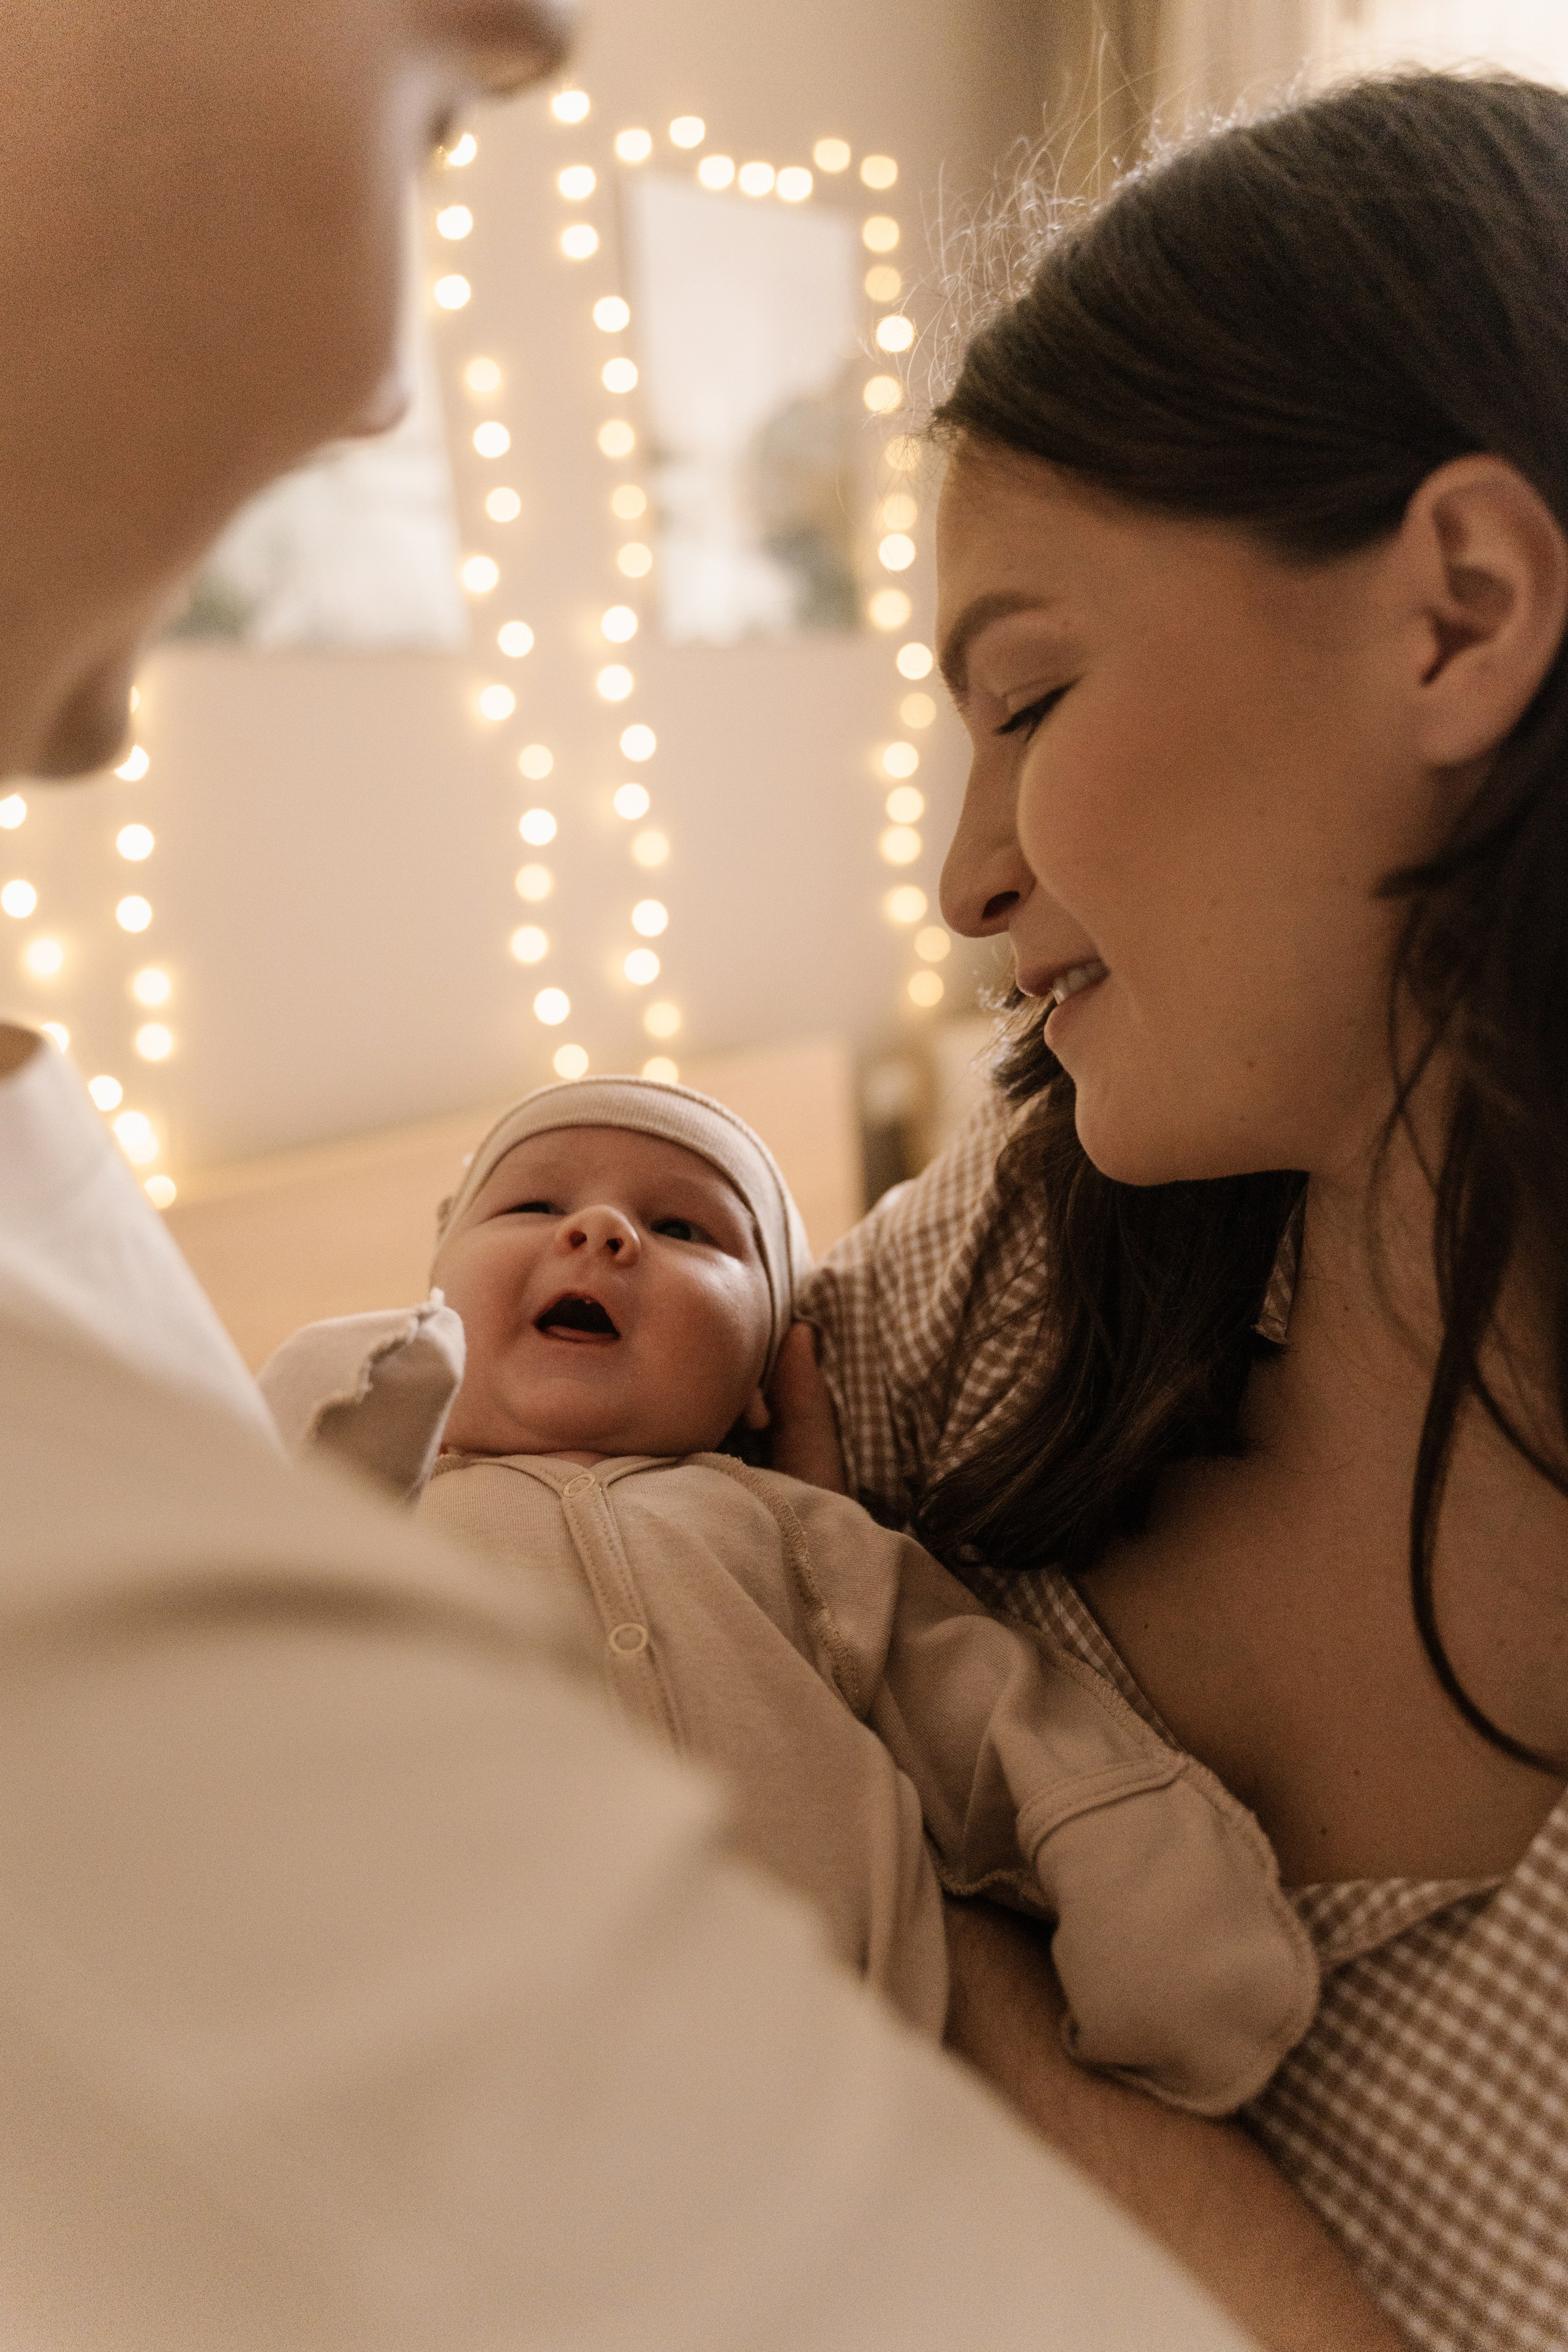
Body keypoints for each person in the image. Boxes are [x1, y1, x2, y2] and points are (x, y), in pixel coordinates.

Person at [0, 2, 1406, 2345]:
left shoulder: (835, 1498)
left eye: (687, 1232)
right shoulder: (253, 1506)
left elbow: (1010, 1748)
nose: (384, 391)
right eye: (439, 105)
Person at [794, 68, 1568, 2352]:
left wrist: (966, 2008)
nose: (961, 879)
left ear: (1463, 608)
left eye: (1027, 693)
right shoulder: (986, 1300)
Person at [270, 1074, 1319, 2102]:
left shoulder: (801, 1535)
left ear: (763, 1378)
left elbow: (1001, 1719)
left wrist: (1153, 1906)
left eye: (686, 1229)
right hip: (465, 2075)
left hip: (825, 2103)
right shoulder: (379, 1509)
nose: (597, 1230)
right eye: (533, 1204)